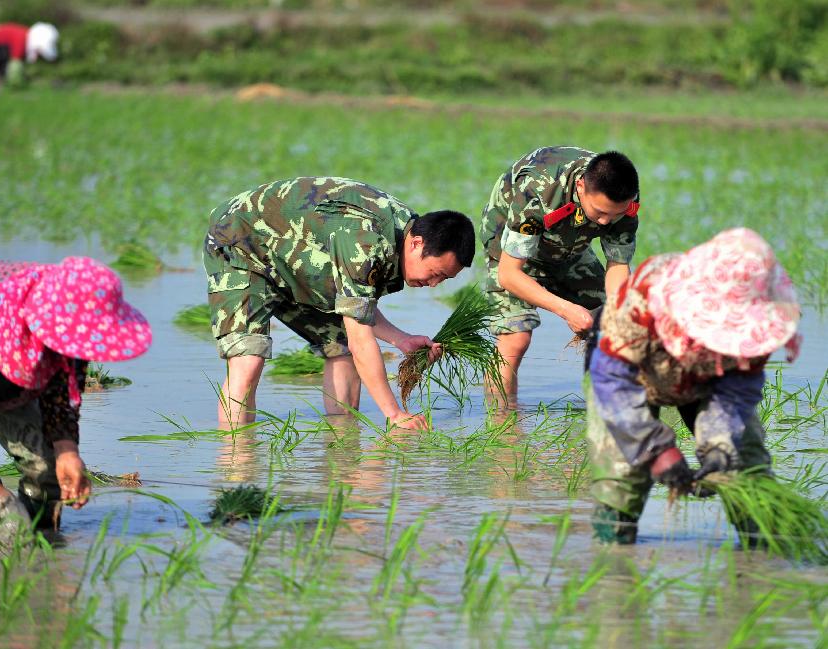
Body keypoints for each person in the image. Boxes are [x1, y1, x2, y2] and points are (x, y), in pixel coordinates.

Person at [203, 177, 476, 431]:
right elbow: (362, 339)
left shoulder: (403, 233)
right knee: (248, 359)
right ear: (417, 244)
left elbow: (358, 306)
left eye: (444, 279)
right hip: (241, 243)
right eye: (435, 273)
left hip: (295, 262)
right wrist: (394, 415)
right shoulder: (366, 244)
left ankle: (342, 453)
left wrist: (401, 339)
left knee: (341, 349)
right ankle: (237, 462)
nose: (433, 284)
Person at [584, 228, 801, 544]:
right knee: (621, 475)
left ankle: (760, 558)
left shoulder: (763, 319)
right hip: (631, 380)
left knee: (744, 464)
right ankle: (614, 556)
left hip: (709, 383)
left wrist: (719, 445)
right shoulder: (646, 294)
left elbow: (738, 391)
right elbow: (612, 378)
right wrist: (655, 450)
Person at [0, 257, 152, 548]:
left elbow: (61, 396)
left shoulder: (75, 331)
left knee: (48, 466)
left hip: (6, 353)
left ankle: (39, 537)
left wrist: (68, 452)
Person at [480, 146, 640, 399]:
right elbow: (509, 275)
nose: (605, 222)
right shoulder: (537, 189)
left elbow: (618, 265)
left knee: (619, 326)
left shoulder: (625, 198)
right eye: (599, 212)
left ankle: (617, 407)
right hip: (512, 252)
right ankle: (503, 421)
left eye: (615, 214)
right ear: (580, 187)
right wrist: (567, 310)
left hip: (570, 248)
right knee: (516, 337)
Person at [0, 22, 59, 87]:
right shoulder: (20, 40)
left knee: (1, 69)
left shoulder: (24, 34)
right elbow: (14, 66)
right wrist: (17, 83)